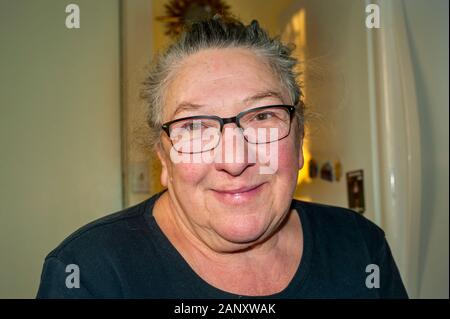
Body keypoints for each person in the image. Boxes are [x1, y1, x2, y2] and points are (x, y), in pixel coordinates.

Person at [37, 16, 408, 298]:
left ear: (299, 141)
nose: (234, 160)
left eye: (262, 116)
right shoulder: (90, 273)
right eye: (195, 126)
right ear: (164, 161)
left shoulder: (360, 245)